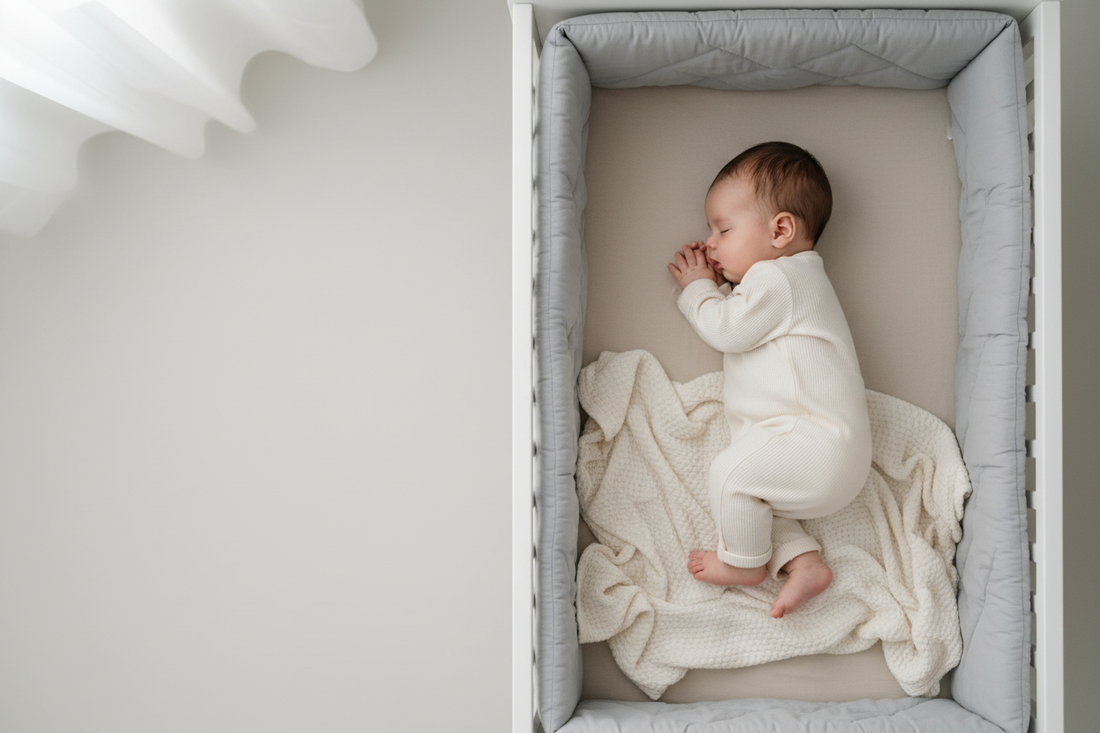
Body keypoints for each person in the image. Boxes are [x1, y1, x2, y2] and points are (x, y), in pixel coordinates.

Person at [666, 141, 871, 619]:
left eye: (723, 228)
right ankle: (804, 563)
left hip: (817, 444)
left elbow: (726, 329)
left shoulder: (780, 279)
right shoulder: (787, 282)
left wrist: (700, 287)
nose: (710, 242)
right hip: (813, 451)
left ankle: (743, 564)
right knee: (756, 501)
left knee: (731, 476)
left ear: (780, 230)